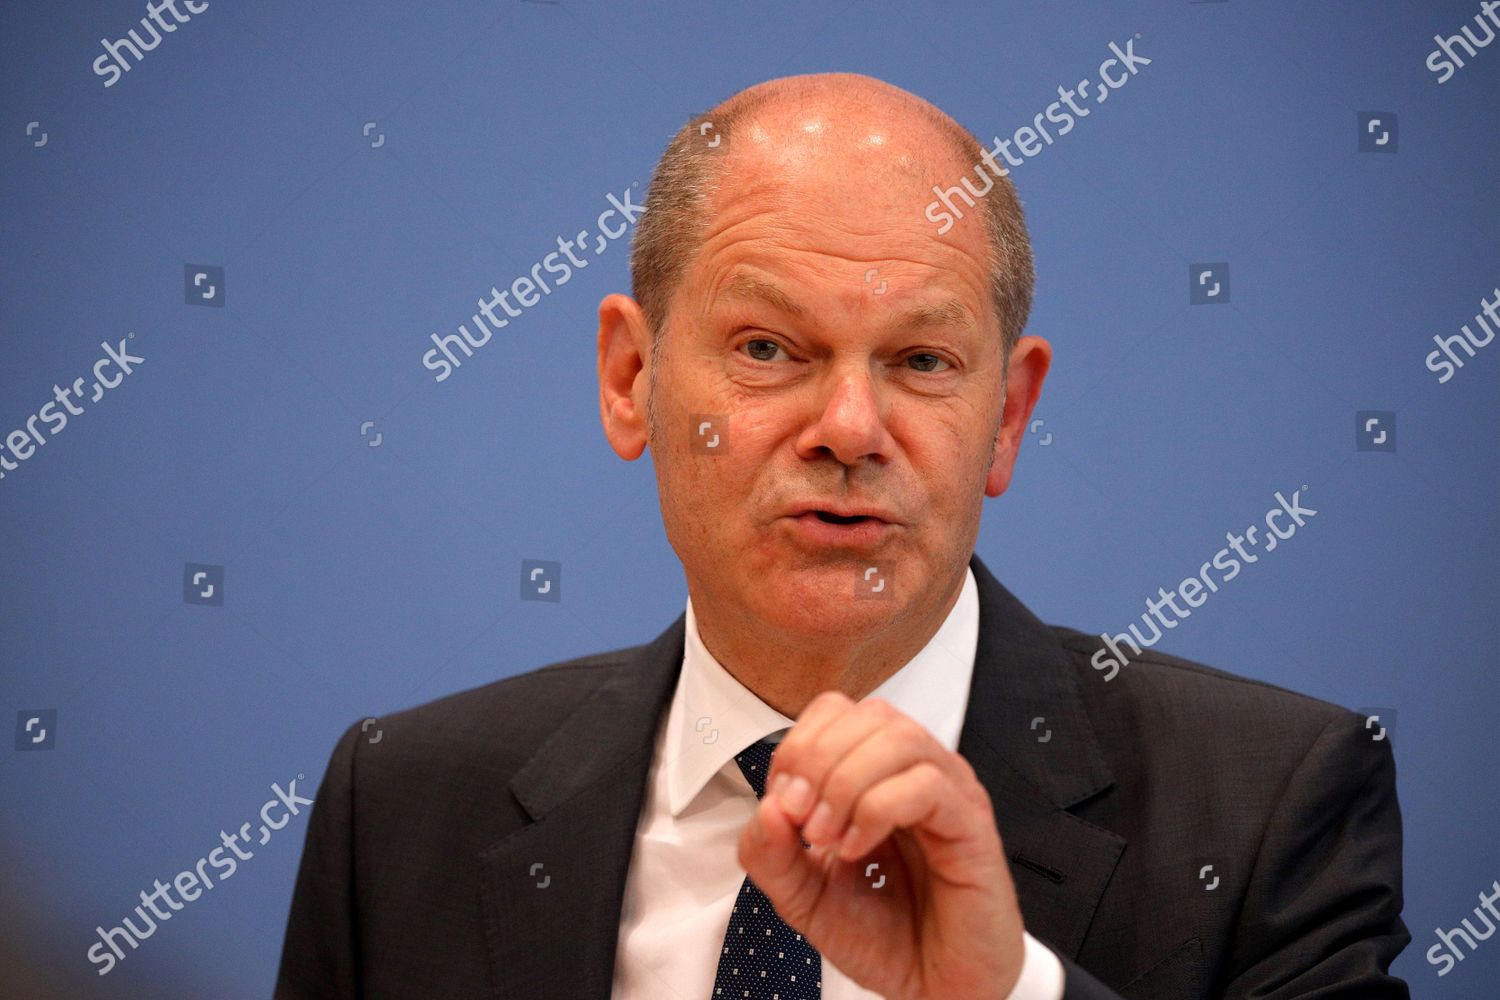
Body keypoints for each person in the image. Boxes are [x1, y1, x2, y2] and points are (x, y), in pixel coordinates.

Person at [274, 72, 1410, 999]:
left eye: (921, 362)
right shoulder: (405, 808)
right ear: (632, 377)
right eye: (769, 347)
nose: (850, 429)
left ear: (1007, 418)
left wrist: (1005, 992)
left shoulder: (1265, 808)